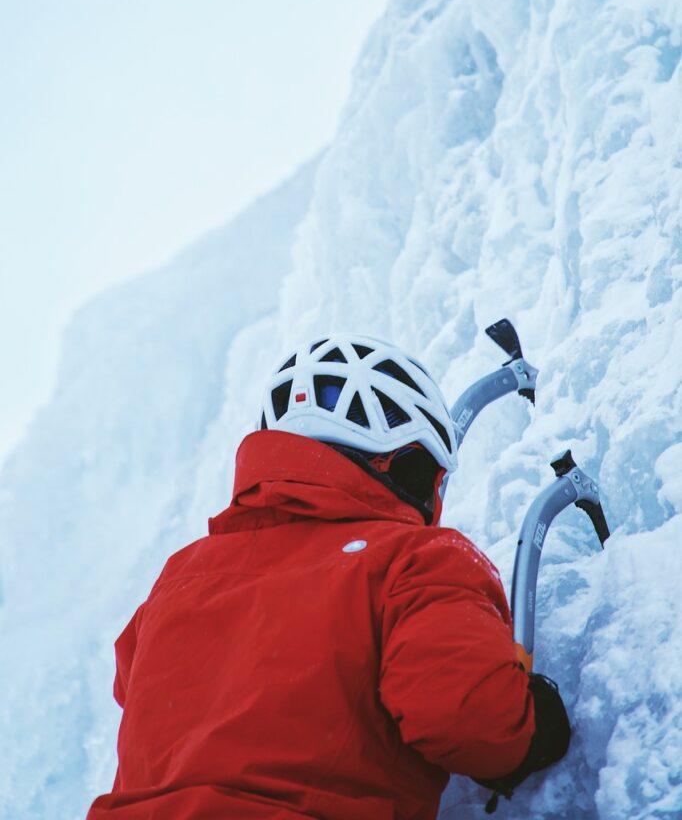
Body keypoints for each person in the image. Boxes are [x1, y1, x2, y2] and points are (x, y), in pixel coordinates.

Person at [87, 334, 570, 820]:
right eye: (428, 477)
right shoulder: (416, 559)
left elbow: (135, 686)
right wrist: (534, 726)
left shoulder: (180, 575)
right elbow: (472, 721)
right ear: (403, 468)